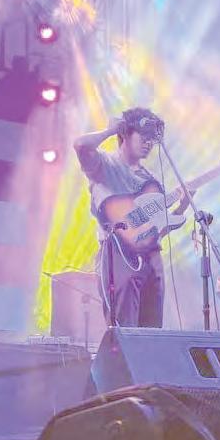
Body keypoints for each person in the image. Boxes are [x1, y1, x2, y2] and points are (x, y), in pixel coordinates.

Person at [74, 107, 187, 328]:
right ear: (125, 134)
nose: (149, 143)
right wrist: (110, 130)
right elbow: (80, 145)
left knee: (152, 329)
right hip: (117, 252)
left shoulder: (151, 180)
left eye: (152, 139)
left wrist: (181, 207)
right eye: (143, 136)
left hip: (152, 257)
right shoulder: (104, 164)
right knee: (124, 327)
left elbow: (158, 230)